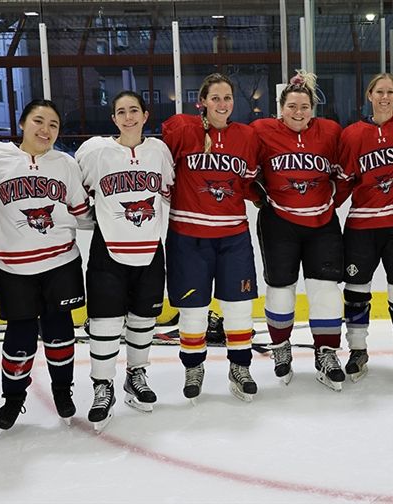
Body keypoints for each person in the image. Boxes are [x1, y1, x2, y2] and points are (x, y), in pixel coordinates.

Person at [0, 99, 91, 430]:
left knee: (60, 332)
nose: (46, 129)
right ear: (22, 123)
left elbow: (82, 214)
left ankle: (62, 391)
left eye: (53, 124)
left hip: (61, 264)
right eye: (39, 121)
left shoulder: (65, 164)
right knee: (19, 337)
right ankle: (13, 399)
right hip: (14, 269)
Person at [74, 91, 173, 430]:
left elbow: (167, 192)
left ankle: (136, 376)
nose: (128, 117)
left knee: (143, 319)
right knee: (104, 324)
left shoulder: (159, 151)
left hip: (149, 249)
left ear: (145, 115)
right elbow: (78, 192)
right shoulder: (95, 151)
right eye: (121, 112)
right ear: (113, 118)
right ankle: (103, 386)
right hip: (108, 250)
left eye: (134, 110)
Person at [160, 73, 260, 402]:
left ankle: (240, 366)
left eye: (227, 98)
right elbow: (163, 172)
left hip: (233, 236)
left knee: (239, 307)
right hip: (189, 237)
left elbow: (247, 183)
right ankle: (193, 366)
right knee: (193, 310)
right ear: (201, 101)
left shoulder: (245, 136)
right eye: (215, 98)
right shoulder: (182, 129)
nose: (222, 104)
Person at [251, 71, 347, 391]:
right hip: (280, 222)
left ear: (312, 108)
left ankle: (327, 353)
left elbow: (345, 171)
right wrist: (258, 197)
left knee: (326, 291)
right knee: (281, 289)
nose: (298, 112)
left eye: (304, 106)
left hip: (322, 224)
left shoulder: (330, 132)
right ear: (281, 108)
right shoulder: (262, 131)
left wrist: (334, 200)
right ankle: (281, 349)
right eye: (292, 106)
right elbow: (244, 169)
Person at [337, 73, 393, 382]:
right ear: (369, 95)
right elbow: (345, 180)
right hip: (362, 226)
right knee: (356, 291)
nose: (385, 97)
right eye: (380, 91)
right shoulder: (352, 134)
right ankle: (357, 350)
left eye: (390, 91)